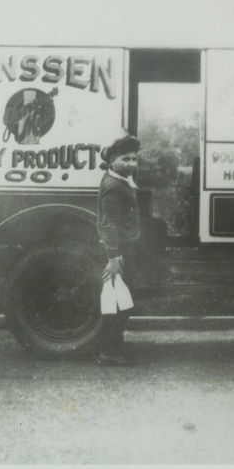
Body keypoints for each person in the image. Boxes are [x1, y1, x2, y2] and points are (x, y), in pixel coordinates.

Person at [96, 131, 141, 366]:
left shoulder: (120, 180)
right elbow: (109, 224)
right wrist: (113, 258)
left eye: (134, 159)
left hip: (124, 249)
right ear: (112, 160)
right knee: (116, 302)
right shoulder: (113, 186)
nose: (131, 163)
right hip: (119, 251)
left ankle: (114, 347)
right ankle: (108, 351)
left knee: (121, 300)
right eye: (126, 159)